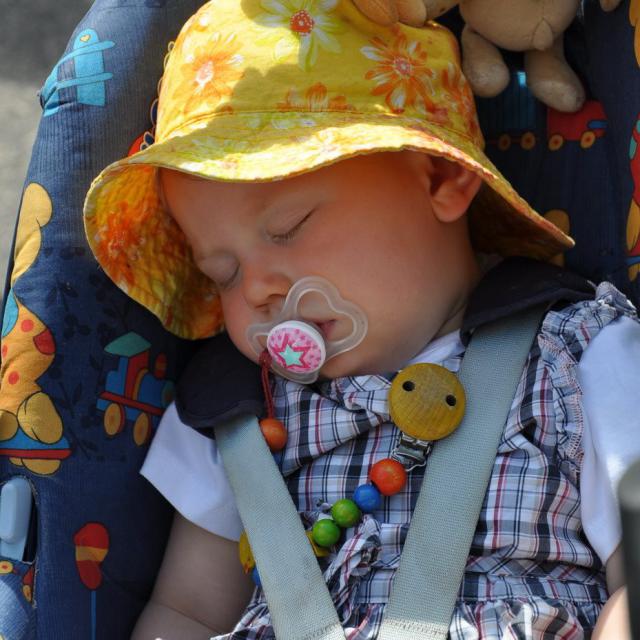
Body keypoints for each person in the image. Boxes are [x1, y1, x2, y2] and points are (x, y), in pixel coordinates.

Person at [82, 0, 639, 637]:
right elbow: (188, 609)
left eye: (288, 227)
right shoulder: (236, 411)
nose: (258, 289)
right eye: (222, 273)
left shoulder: (583, 357)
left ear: (440, 178)